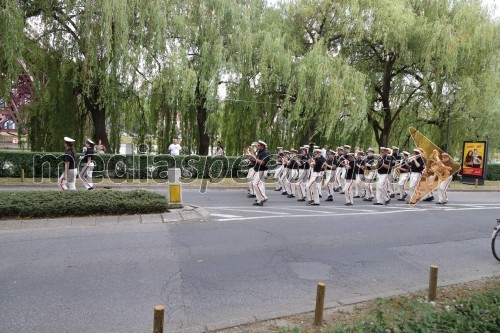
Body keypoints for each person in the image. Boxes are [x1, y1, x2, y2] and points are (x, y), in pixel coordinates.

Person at [252, 140, 270, 206]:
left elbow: (262, 162)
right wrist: (252, 158)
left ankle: (263, 197)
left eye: (258, 145)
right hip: (258, 170)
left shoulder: (265, 153)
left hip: (262, 170)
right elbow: (257, 161)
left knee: (256, 184)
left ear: (262, 146)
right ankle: (259, 200)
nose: (257, 146)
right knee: (258, 185)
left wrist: (255, 159)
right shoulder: (260, 152)